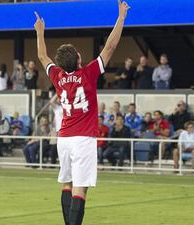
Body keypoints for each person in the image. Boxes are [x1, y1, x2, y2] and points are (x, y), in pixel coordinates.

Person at [35, 1, 130, 224]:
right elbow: (110, 48)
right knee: (80, 189)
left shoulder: (57, 76)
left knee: (67, 184)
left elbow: (42, 57)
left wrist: (40, 32)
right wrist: (121, 18)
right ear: (78, 60)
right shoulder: (88, 73)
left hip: (64, 138)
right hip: (83, 138)